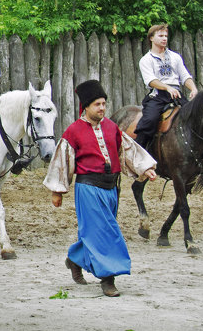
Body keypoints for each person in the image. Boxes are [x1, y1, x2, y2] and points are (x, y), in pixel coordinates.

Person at [44, 80, 158, 297]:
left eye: (104, 103)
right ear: (86, 107)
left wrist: (146, 168)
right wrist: (57, 191)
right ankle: (108, 279)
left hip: (111, 189)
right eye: (97, 104)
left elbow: (129, 150)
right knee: (106, 234)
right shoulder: (74, 131)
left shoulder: (112, 128)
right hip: (88, 189)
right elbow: (63, 161)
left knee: (97, 232)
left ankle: (75, 259)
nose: (102, 108)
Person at [135, 23, 199, 150]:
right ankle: (139, 152)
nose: (164, 38)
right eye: (160, 36)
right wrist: (167, 87)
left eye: (166, 36)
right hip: (158, 96)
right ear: (151, 38)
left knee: (196, 118)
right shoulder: (146, 59)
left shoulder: (175, 57)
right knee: (149, 122)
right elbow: (151, 81)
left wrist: (193, 88)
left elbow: (185, 76)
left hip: (177, 95)